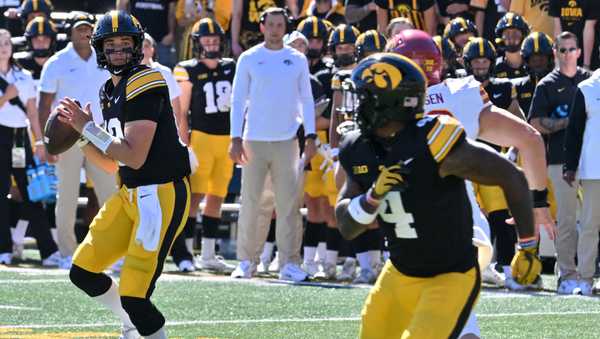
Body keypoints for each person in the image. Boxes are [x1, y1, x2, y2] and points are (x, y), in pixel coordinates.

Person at [335, 52, 540, 339]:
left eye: (366, 97)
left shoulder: (433, 143)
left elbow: (512, 177)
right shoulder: (358, 147)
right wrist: (371, 198)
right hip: (399, 272)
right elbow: (346, 225)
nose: (358, 105)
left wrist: (528, 246)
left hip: (451, 275)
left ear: (390, 103)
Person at [388, 28, 553, 337]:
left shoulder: (385, 106)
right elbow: (530, 139)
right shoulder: (458, 94)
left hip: (413, 231)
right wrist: (539, 204)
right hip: (465, 229)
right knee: (457, 324)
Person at [60, 10, 190, 339]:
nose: (118, 50)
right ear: (100, 49)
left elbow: (134, 154)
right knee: (83, 271)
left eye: (125, 43)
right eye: (111, 44)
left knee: (135, 294)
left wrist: (88, 128)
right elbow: (111, 162)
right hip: (129, 192)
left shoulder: (147, 79)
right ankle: (132, 324)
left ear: (137, 46)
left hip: (160, 195)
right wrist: (81, 139)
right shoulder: (108, 89)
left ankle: (141, 324)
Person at [229, 7, 317, 281]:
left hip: (288, 141)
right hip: (253, 139)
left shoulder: (297, 59)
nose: (276, 29)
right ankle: (246, 261)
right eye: (272, 24)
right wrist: (235, 138)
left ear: (285, 27)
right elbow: (237, 99)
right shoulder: (249, 57)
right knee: (252, 203)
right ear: (262, 26)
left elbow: (307, 99)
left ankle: (289, 263)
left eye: (281, 25)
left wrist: (311, 136)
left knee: (289, 204)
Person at [38, 11, 116, 268]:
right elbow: (43, 105)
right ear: (70, 32)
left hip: (98, 134)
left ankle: (115, 253)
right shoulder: (56, 62)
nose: (85, 33)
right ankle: (66, 253)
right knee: (67, 196)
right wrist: (45, 142)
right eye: (80, 29)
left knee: (110, 194)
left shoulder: (105, 60)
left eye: (88, 29)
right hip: (66, 137)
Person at [529, 31, 591, 294]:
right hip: (559, 158)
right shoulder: (546, 85)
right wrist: (570, 122)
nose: (567, 54)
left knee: (591, 220)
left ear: (579, 52)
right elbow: (534, 123)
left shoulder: (590, 81)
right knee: (566, 219)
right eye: (562, 50)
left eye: (571, 49)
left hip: (590, 159)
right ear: (555, 53)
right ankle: (567, 273)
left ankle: (587, 271)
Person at [172, 17, 236, 273]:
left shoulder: (232, 66)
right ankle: (186, 250)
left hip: (227, 138)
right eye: (207, 40)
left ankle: (208, 253)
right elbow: (182, 111)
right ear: (198, 43)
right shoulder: (187, 69)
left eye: (215, 39)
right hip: (201, 137)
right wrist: (184, 141)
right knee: (194, 196)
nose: (211, 43)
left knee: (217, 196)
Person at [0, 29, 59, 266]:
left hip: (20, 138)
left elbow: (33, 113)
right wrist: (6, 97)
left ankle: (49, 251)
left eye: (6, 42)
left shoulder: (23, 75)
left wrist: (39, 141)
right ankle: (3, 249)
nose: (3, 46)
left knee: (31, 193)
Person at [564, 65, 600, 295]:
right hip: (594, 170)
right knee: (589, 226)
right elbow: (574, 130)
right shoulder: (587, 88)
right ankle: (586, 278)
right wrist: (570, 166)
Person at [494, 12, 530, 79]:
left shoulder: (532, 64)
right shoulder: (493, 68)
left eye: (515, 33)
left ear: (524, 35)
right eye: (507, 33)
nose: (511, 37)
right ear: (500, 37)